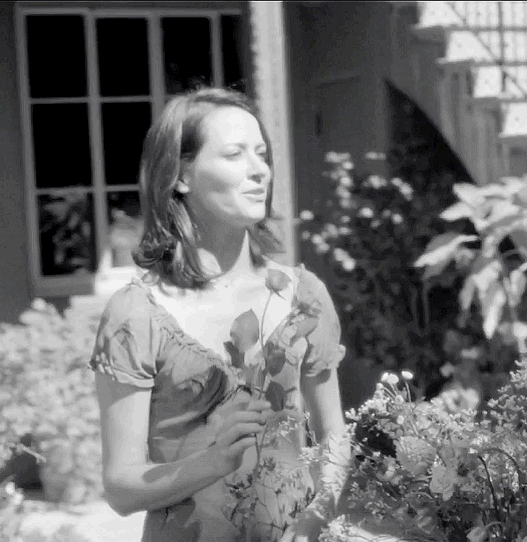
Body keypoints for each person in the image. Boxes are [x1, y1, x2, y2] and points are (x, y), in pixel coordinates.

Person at [90, 87, 349, 542]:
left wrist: (314, 521)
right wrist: (214, 461)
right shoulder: (136, 315)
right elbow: (121, 488)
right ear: (181, 177)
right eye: (234, 155)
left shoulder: (304, 296)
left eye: (262, 154)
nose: (259, 171)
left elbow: (334, 439)